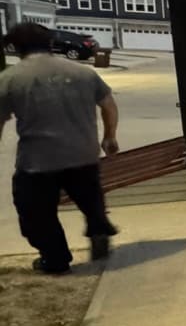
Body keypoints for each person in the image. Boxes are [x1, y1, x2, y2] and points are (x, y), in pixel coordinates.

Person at [0, 23, 119, 274]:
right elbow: (108, 104)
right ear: (51, 44)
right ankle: (98, 229)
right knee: (90, 198)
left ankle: (55, 258)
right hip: (84, 154)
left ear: (16, 47)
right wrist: (109, 137)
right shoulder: (82, 72)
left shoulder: (11, 78)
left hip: (38, 161)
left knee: (35, 212)